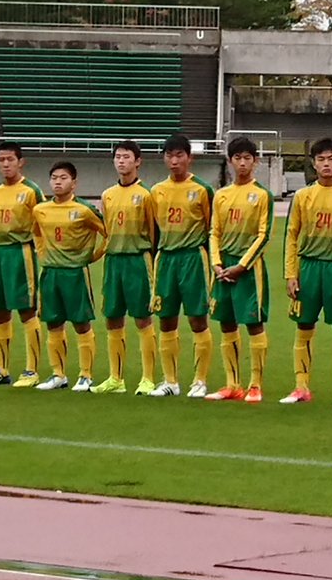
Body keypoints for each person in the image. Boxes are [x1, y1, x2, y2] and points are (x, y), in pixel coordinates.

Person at [282, 137, 332, 405]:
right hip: (309, 267)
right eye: (321, 159)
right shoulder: (303, 196)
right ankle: (301, 386)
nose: (326, 164)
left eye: (331, 159)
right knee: (304, 326)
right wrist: (291, 274)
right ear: (314, 164)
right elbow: (291, 236)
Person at [30, 162, 108, 392]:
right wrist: (42, 252)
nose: (57, 182)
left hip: (75, 272)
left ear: (74, 182)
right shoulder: (40, 209)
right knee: (53, 322)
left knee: (81, 323)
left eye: (63, 178)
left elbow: (108, 233)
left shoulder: (84, 210)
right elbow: (36, 233)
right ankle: (58, 374)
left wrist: (93, 256)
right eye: (54, 177)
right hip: (51, 272)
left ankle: (86, 375)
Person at [208, 137, 275, 403]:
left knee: (254, 323)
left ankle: (255, 385)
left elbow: (263, 235)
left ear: (256, 161)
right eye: (238, 158)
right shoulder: (221, 195)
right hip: (224, 267)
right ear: (230, 161)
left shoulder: (262, 195)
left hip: (249, 269)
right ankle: (232, 384)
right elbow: (214, 231)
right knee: (227, 323)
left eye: (248, 158)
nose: (243, 163)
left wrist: (242, 265)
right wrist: (217, 263)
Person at [148, 134, 214, 397]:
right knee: (166, 320)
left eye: (179, 155)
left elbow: (211, 230)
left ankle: (199, 381)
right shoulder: (156, 191)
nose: (174, 161)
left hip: (193, 258)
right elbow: (153, 231)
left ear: (190, 158)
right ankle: (170, 381)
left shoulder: (202, 190)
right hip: (166, 258)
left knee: (198, 319)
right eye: (169, 155)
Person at [0, 142, 48, 389]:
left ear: (21, 162)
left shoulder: (32, 191)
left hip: (22, 253)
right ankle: (1, 369)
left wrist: (43, 255)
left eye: (10, 159)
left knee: (26, 310)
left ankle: (31, 370)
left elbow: (43, 223)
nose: (6, 164)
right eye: (1, 159)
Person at [98, 140, 157, 396]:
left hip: (137, 260)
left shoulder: (146, 194)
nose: (121, 161)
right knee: (113, 318)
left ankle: (148, 378)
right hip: (114, 260)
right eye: (118, 157)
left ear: (138, 161)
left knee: (143, 318)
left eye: (126, 157)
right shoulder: (107, 195)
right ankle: (116, 378)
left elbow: (155, 234)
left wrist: (153, 263)